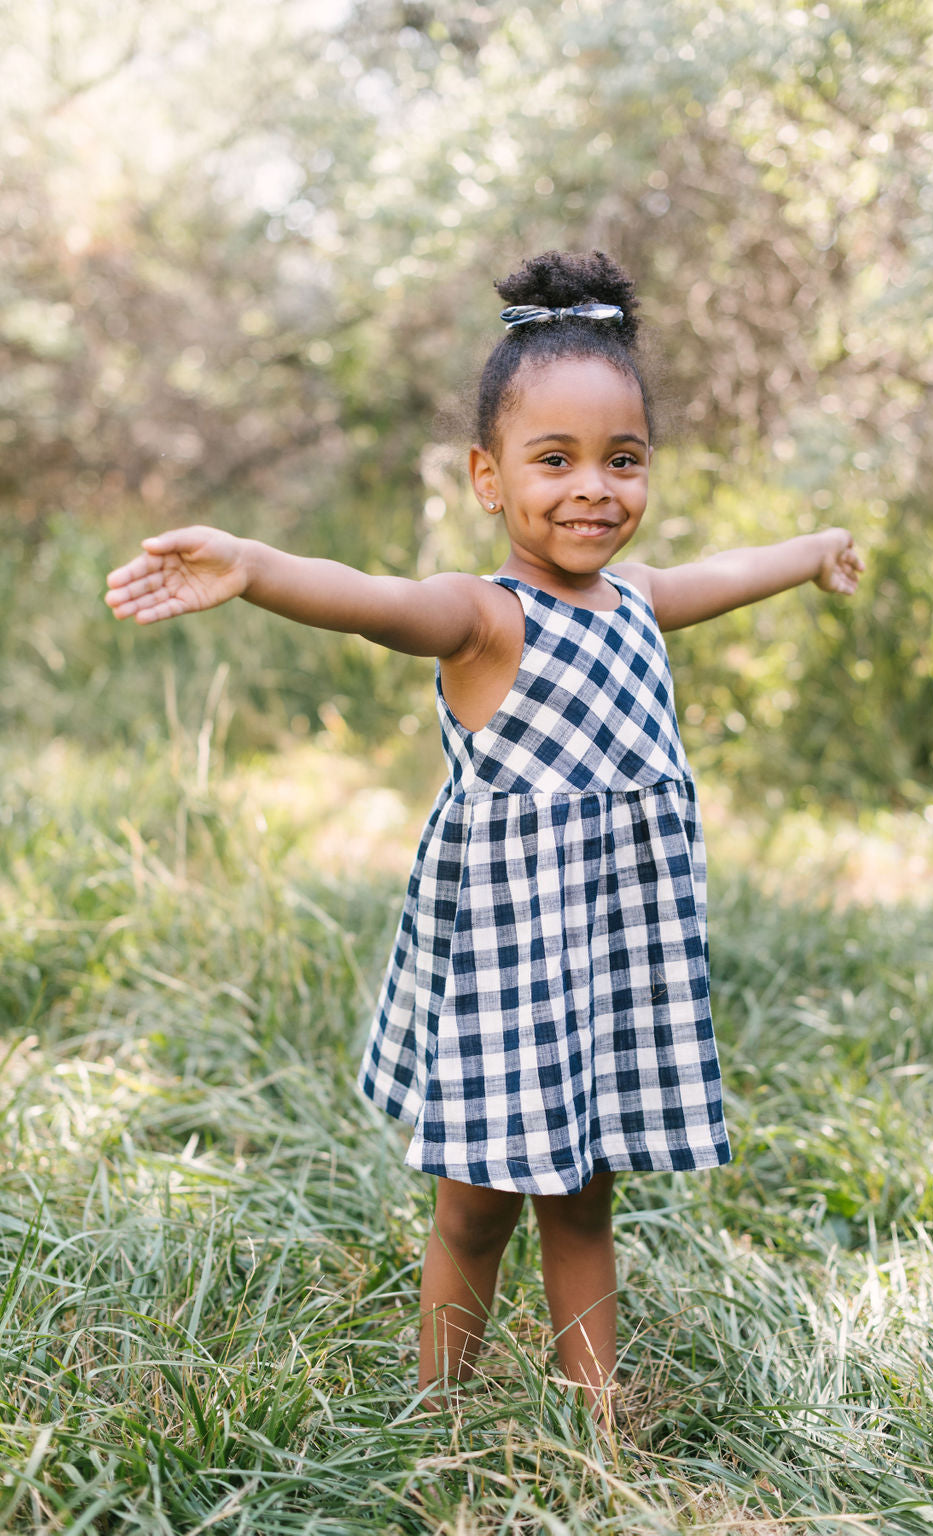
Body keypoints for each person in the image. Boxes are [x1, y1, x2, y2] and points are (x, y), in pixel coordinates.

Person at [105, 249, 863, 1425]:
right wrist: (253, 568)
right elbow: (370, 597)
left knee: (584, 1201)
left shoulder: (637, 604)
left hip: (606, 975)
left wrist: (812, 552)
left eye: (623, 460)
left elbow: (724, 570)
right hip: (509, 981)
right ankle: (439, 1415)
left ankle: (597, 1422)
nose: (592, 489)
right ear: (487, 477)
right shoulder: (483, 617)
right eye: (552, 460)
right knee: (474, 1206)